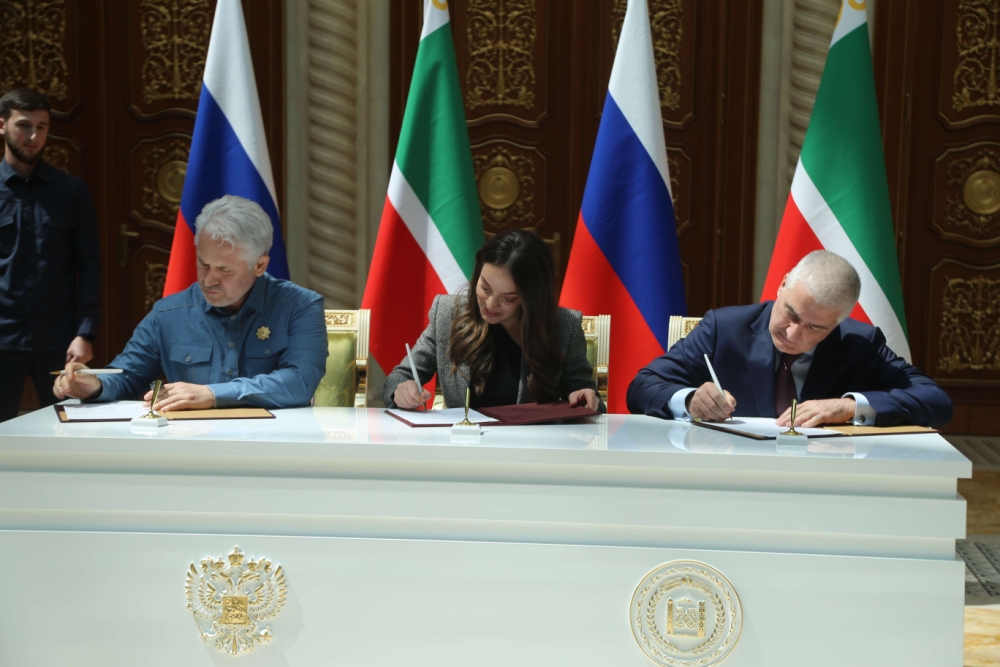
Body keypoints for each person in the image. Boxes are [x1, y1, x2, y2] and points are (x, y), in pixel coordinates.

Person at [54, 195, 327, 410]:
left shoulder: (300, 307)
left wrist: (212, 394)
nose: (209, 279)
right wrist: (93, 385)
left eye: (225, 270)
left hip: (272, 446)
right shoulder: (169, 313)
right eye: (203, 264)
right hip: (192, 447)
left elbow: (299, 382)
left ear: (259, 265)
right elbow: (127, 375)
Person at [626, 250, 952, 428]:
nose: (793, 334)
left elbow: (936, 401)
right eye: (791, 314)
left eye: (815, 328)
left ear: (838, 323)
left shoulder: (861, 343)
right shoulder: (724, 328)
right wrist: (689, 400)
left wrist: (848, 406)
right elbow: (642, 386)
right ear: (782, 285)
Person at [382, 229, 605, 412]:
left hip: (531, 448)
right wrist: (401, 391)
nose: (490, 304)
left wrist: (584, 398)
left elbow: (589, 398)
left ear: (531, 299)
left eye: (508, 298)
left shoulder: (564, 326)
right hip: (464, 446)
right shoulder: (448, 313)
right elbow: (399, 377)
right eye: (485, 288)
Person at [0, 88, 102, 423]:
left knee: (64, 429)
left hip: (58, 340)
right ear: (2, 125)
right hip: (2, 336)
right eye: (24, 125)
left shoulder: (71, 191)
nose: (33, 136)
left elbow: (89, 264)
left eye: (41, 127)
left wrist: (86, 332)